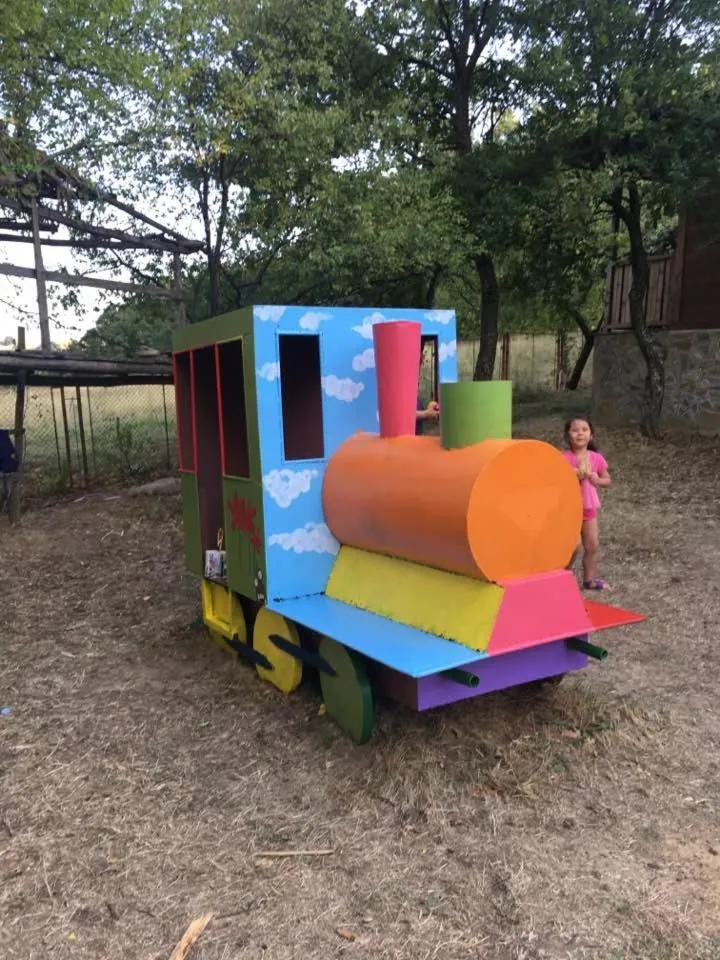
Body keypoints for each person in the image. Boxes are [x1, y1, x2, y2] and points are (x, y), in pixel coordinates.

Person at [562, 415, 612, 590]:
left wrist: (596, 479)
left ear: (591, 435)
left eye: (584, 430)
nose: (580, 433)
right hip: (569, 510)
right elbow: (553, 480)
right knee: (573, 546)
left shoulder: (596, 458)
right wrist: (571, 473)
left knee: (592, 546)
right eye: (575, 430)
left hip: (589, 509)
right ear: (568, 436)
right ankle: (562, 576)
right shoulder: (563, 458)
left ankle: (589, 580)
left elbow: (607, 480)